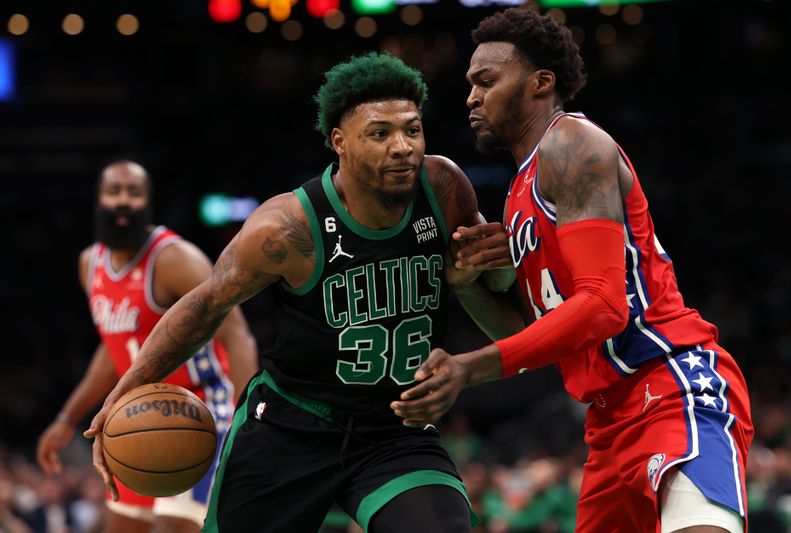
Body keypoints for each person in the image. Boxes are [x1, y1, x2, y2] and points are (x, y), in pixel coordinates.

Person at [83, 54, 513, 533]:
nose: (402, 147)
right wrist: (121, 393)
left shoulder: (445, 189)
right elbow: (204, 307)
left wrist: (491, 275)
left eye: (412, 130)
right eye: (379, 133)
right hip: (290, 428)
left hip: (394, 429)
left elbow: (511, 325)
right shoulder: (286, 228)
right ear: (340, 143)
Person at [390, 8, 754, 533]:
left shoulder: (572, 146)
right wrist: (465, 286)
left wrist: (469, 368)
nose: (471, 97)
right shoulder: (520, 191)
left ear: (541, 83)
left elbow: (604, 307)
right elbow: (532, 340)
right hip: (608, 421)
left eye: (486, 81)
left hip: (672, 386)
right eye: (470, 84)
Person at [36, 160, 259, 533]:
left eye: (134, 193)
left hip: (202, 406)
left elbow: (237, 334)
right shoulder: (89, 264)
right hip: (138, 413)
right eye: (114, 191)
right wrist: (67, 418)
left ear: (148, 203)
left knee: (175, 526)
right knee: (120, 526)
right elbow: (115, 347)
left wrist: (248, 417)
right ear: (99, 200)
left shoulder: (175, 258)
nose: (124, 200)